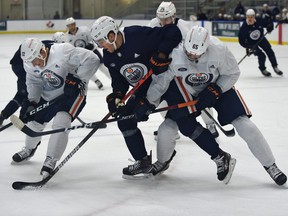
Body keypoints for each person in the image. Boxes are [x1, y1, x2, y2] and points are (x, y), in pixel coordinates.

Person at [138, 26, 287, 186]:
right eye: (189, 52)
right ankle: (162, 162)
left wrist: (216, 89)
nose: (192, 56)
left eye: (197, 54)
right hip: (187, 90)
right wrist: (149, 102)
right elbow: (161, 82)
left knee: (245, 125)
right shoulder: (175, 53)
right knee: (166, 128)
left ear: (206, 47)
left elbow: (232, 73)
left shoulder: (219, 50)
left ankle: (271, 165)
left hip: (217, 86)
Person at [90, 15, 182, 179]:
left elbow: (173, 32)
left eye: (101, 41)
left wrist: (161, 53)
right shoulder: (109, 55)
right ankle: (143, 161)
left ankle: (216, 155)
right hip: (143, 91)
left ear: (111, 35)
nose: (100, 46)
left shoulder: (137, 35)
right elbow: (119, 81)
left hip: (165, 83)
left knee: (182, 121)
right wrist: (117, 96)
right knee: (124, 119)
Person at [12, 38, 100, 178]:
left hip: (73, 94)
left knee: (61, 122)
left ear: (42, 51)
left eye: (34, 60)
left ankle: (51, 159)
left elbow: (93, 60)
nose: (34, 64)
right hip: (51, 92)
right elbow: (34, 81)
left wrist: (77, 79)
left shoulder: (63, 51)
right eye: (30, 62)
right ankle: (29, 149)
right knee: (34, 121)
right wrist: (32, 102)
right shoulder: (30, 63)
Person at [148, 1, 219, 139]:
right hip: (165, 68)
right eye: (160, 18)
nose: (163, 22)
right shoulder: (153, 24)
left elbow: (194, 48)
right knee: (164, 99)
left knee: (198, 96)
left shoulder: (184, 28)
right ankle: (172, 128)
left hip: (185, 68)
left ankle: (210, 123)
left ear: (174, 15)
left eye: (166, 18)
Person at [0, 40, 54, 127]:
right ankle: (5, 116)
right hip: (21, 66)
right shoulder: (53, 48)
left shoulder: (48, 46)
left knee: (27, 92)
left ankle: (22, 111)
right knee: (22, 94)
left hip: (21, 64)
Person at [65, 17, 107, 89]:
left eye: (72, 24)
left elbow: (93, 39)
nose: (71, 26)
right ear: (67, 27)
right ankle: (96, 81)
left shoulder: (84, 30)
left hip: (93, 50)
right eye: (69, 25)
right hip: (82, 56)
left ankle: (113, 78)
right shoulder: (67, 37)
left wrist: (91, 44)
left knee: (102, 66)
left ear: (75, 24)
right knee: (86, 68)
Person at [238, 9, 283, 77]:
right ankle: (263, 69)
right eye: (248, 17)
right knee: (261, 55)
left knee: (269, 51)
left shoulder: (259, 21)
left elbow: (269, 22)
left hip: (261, 39)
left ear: (254, 16)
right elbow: (241, 41)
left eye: (251, 17)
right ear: (246, 17)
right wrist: (248, 47)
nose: (250, 19)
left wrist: (270, 27)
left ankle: (275, 66)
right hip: (251, 43)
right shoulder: (244, 27)